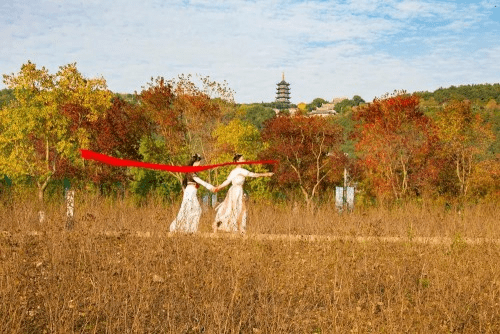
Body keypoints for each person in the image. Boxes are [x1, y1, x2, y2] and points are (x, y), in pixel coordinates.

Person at [212, 154, 273, 234]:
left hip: (238, 191)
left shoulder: (236, 171)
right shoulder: (239, 171)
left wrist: (219, 187)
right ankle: (233, 228)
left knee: (236, 209)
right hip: (235, 191)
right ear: (237, 161)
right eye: (242, 159)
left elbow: (227, 182)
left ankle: (237, 228)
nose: (244, 160)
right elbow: (253, 175)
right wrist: (266, 174)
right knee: (236, 209)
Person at [170, 154, 215, 233]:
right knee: (193, 210)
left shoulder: (192, 172)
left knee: (193, 210)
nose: (199, 164)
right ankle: (187, 229)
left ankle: (189, 229)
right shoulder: (191, 172)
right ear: (194, 162)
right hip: (190, 193)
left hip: (191, 192)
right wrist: (210, 187)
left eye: (199, 162)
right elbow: (200, 181)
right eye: (198, 162)